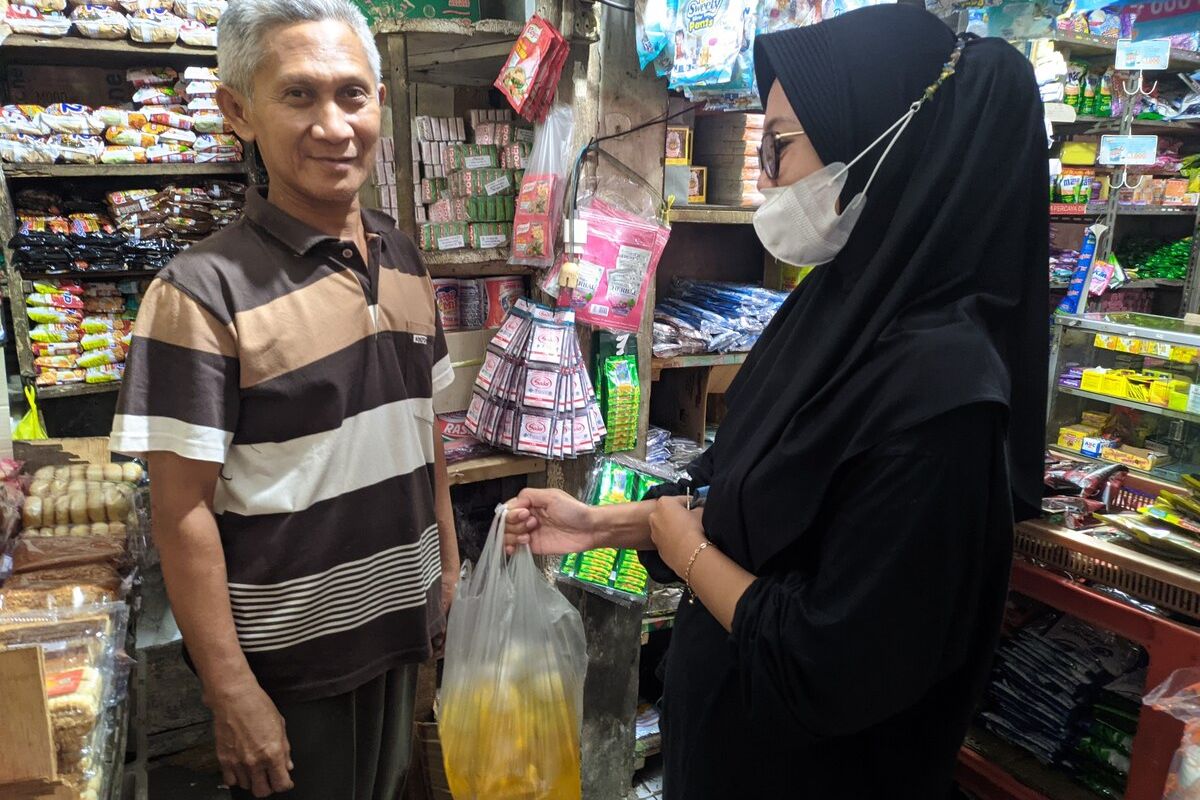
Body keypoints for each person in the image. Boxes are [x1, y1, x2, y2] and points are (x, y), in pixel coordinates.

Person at [505, 6, 1048, 798]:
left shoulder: (944, 399)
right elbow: (749, 500)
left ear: (881, 141)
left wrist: (680, 548)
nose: (764, 173)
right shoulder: (831, 312)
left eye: (781, 145)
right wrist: (601, 525)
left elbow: (829, 660)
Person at [109, 0, 459, 797]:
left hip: (398, 631)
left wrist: (446, 567)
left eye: (353, 94)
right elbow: (181, 513)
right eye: (299, 95)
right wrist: (231, 690)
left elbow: (423, 431)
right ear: (239, 111)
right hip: (291, 668)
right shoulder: (199, 292)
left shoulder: (402, 255)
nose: (334, 126)